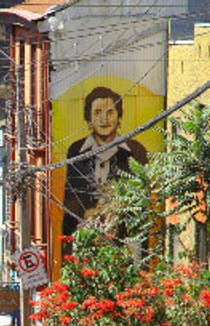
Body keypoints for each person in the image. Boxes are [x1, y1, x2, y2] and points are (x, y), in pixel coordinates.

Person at [63, 86, 148, 242]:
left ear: (119, 119)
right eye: (97, 113)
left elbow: (143, 200)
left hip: (126, 238)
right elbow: (71, 197)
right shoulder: (76, 151)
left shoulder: (136, 150)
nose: (104, 119)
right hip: (84, 237)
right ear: (89, 120)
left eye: (110, 112)